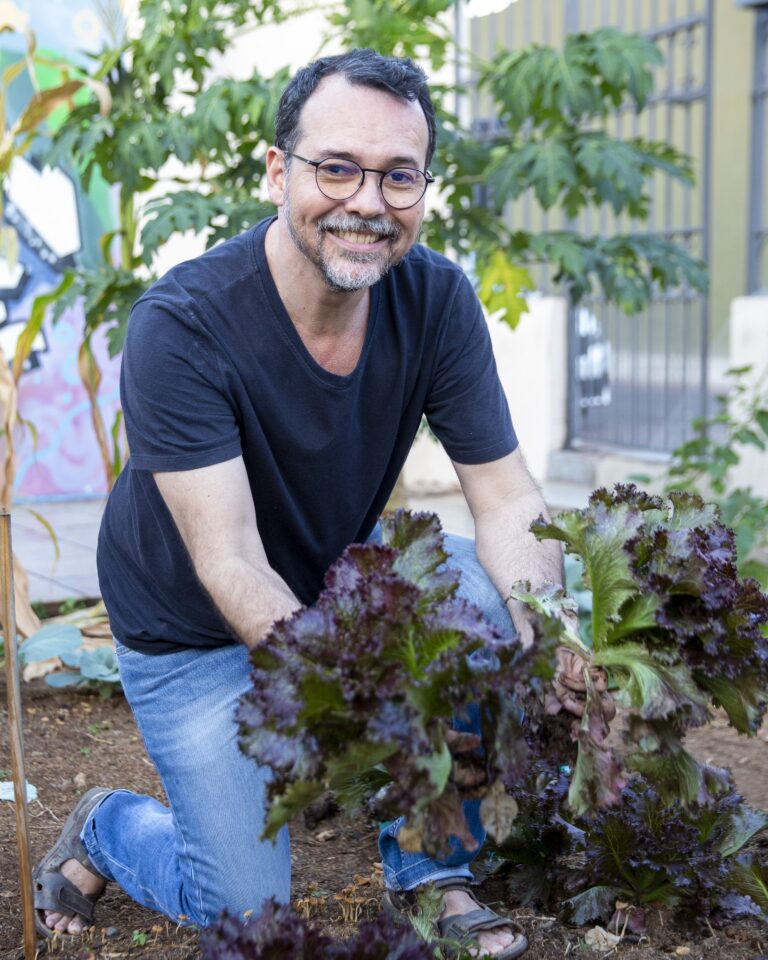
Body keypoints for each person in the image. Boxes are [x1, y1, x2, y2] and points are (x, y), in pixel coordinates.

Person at [33, 48, 591, 959]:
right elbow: (231, 563)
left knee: (485, 602)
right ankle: (109, 827)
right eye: (337, 167)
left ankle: (432, 871)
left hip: (334, 584)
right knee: (246, 918)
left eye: (398, 176)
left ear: (421, 187)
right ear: (278, 169)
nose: (368, 202)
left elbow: (506, 495)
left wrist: (548, 622)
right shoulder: (182, 326)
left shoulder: (437, 299)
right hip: (193, 631)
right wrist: (360, 693)